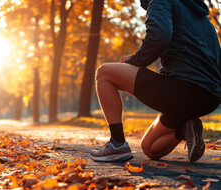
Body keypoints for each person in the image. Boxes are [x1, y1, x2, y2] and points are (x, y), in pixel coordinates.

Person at [91, 0, 220, 162]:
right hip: (209, 97)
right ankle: (185, 128)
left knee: (104, 73)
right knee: (149, 148)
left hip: (184, 90)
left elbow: (159, 36)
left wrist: (134, 61)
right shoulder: (203, 18)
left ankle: (117, 143)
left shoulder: (161, 1)